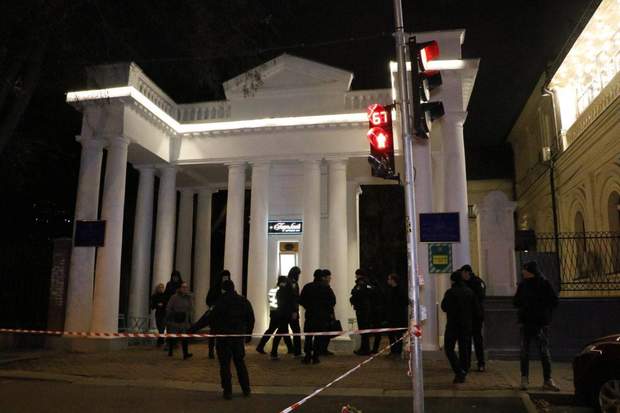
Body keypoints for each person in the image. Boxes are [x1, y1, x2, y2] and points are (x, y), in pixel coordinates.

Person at [513, 261, 560, 392]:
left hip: (538, 323)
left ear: (530, 271)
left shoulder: (543, 284)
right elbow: (516, 302)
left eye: (524, 269)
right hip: (529, 322)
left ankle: (545, 380)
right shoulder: (524, 285)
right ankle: (526, 379)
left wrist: (543, 311)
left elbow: (554, 301)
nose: (522, 272)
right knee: (528, 352)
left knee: (541, 351)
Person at [209, 279, 255, 400]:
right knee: (240, 363)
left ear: (223, 290)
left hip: (223, 338)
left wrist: (191, 330)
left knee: (225, 365)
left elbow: (209, 318)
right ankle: (246, 388)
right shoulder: (243, 301)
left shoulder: (219, 302)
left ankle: (227, 391)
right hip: (238, 337)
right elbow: (251, 318)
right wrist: (248, 334)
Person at [441, 271, 480, 384]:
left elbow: (444, 307)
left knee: (449, 348)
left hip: (453, 324)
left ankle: (459, 371)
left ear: (453, 281)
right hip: (466, 324)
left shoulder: (450, 292)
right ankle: (464, 370)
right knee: (464, 348)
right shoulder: (469, 292)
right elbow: (476, 309)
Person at [299, 269, 336, 364]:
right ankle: (315, 357)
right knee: (318, 337)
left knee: (308, 337)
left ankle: (307, 357)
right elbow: (333, 301)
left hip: (310, 315)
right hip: (322, 317)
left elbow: (301, 300)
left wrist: (308, 306)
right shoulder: (326, 288)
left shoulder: (308, 287)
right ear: (322, 277)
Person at [256, 276, 294, 359]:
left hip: (273, 312)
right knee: (281, 330)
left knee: (277, 330)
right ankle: (269, 349)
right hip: (279, 313)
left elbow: (271, 302)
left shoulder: (272, 290)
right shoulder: (282, 291)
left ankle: (261, 346)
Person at [460, 264, 487, 372]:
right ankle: (472, 364)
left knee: (475, 340)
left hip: (474, 315)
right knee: (472, 340)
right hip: (474, 315)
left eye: (462, 273)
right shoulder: (478, 282)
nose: (462, 275)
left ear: (467, 272)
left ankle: (477, 363)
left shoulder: (475, 283)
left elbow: (480, 297)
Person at [350, 269, 381, 355]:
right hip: (364, 309)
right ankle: (364, 348)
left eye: (356, 275)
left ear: (359, 275)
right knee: (363, 330)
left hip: (362, 310)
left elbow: (355, 292)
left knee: (364, 330)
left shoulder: (362, 283)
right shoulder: (367, 283)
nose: (356, 276)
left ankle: (365, 349)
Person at [205, 270, 231, 359]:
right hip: (215, 315)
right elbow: (208, 300)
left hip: (226, 315)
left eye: (227, 277)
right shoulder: (215, 287)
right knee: (213, 333)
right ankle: (211, 351)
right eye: (224, 277)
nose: (226, 278)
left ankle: (222, 351)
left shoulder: (229, 287)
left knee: (224, 334)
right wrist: (213, 306)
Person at [165, 282, 194, 360]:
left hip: (184, 321)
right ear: (180, 288)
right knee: (173, 337)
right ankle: (170, 350)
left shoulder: (188, 298)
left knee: (185, 337)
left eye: (186, 287)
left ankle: (185, 354)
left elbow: (190, 309)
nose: (185, 289)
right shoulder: (174, 297)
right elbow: (168, 307)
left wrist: (190, 320)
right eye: (183, 287)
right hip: (175, 320)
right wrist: (171, 316)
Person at [385, 273, 408, 355]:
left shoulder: (401, 290)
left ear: (393, 280)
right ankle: (393, 351)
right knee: (391, 335)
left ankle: (398, 351)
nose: (388, 281)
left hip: (398, 316)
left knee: (398, 335)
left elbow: (405, 302)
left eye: (389, 279)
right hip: (391, 317)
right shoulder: (390, 290)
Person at [319, 269, 336, 356]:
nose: (330, 279)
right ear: (324, 278)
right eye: (328, 277)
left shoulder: (327, 287)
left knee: (328, 331)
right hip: (324, 313)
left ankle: (324, 349)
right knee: (323, 331)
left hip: (328, 312)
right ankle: (321, 349)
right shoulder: (323, 288)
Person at [287, 266, 303, 357]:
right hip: (291, 311)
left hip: (284, 311)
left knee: (282, 331)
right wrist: (295, 311)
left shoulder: (286, 281)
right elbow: (294, 298)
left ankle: (274, 352)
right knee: (296, 331)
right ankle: (297, 351)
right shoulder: (293, 283)